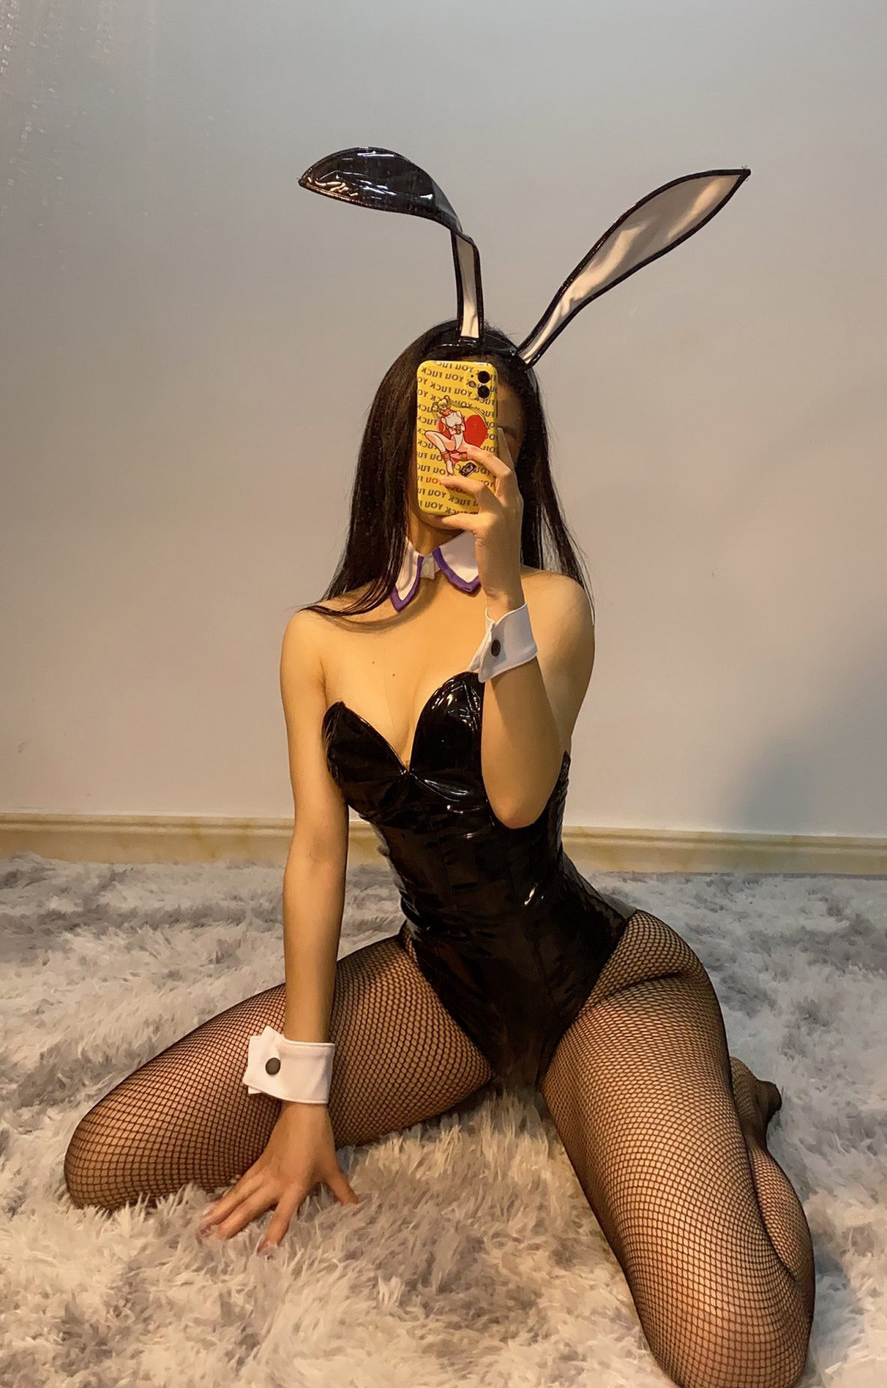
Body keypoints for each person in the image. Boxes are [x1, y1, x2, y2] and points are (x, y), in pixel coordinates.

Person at [63, 151, 816, 1388]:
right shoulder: (318, 636)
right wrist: (303, 1099)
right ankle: (548, 1095)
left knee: (735, 1352)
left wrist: (504, 585)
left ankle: (720, 1106)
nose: (473, 453)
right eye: (454, 426)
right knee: (110, 1158)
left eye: (502, 441)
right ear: (398, 436)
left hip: (599, 990)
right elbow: (316, 858)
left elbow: (513, 797)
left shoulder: (551, 608)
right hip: (442, 992)